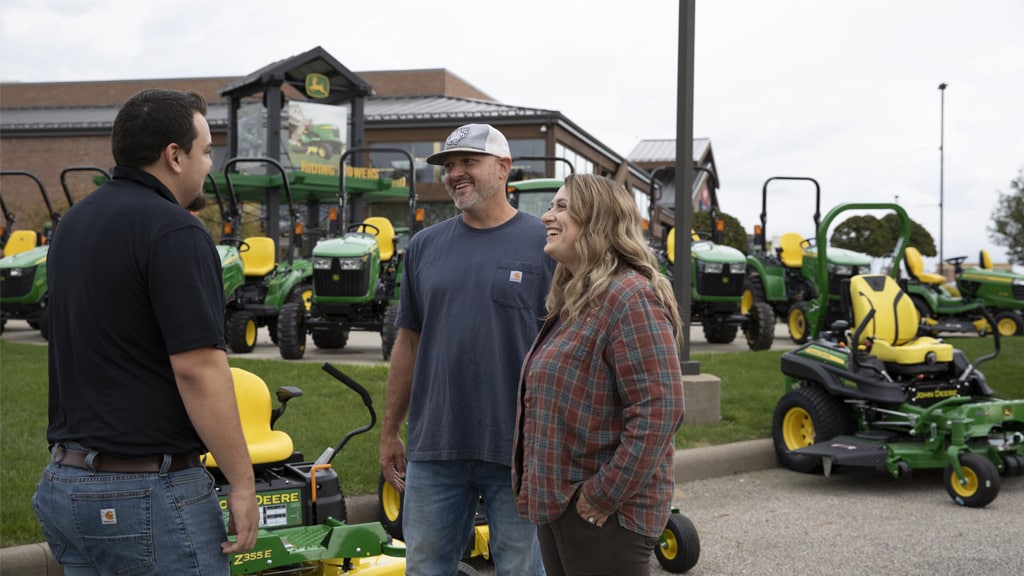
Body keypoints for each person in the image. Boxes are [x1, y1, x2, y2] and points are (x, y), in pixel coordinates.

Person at [34, 88, 258, 575]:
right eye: (205, 152)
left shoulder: (72, 225)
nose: (208, 166)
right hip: (145, 495)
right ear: (174, 156)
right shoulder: (174, 230)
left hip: (65, 484)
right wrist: (243, 484)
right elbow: (198, 368)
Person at [379, 123, 553, 575]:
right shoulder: (423, 247)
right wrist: (390, 430)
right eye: (449, 165)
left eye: (468, 162)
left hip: (518, 447)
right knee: (426, 566)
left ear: (503, 168)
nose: (455, 172)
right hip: (437, 446)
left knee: (520, 567)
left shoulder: (547, 245)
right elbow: (409, 342)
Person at [513, 173, 685, 576]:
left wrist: (601, 496)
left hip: (603, 514)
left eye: (561, 207)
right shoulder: (577, 298)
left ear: (596, 220)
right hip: (561, 503)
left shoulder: (629, 296)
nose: (546, 217)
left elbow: (661, 409)